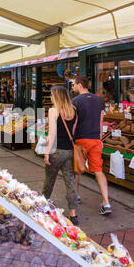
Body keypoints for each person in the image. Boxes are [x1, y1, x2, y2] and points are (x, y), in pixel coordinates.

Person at [72, 76, 112, 215]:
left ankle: (76, 196)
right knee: (98, 170)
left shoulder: (75, 101)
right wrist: (100, 137)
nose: (72, 87)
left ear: (80, 85)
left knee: (76, 169)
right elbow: (101, 119)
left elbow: (75, 122)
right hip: (95, 139)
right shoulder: (99, 100)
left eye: (73, 84)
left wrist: (71, 137)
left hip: (81, 139)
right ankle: (106, 202)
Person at [42, 86, 81, 226]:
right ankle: (73, 214)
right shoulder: (74, 110)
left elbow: (51, 135)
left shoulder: (53, 111)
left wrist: (46, 153)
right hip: (70, 150)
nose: (51, 97)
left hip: (56, 151)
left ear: (57, 96)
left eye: (52, 95)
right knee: (70, 181)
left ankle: (42, 206)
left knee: (49, 179)